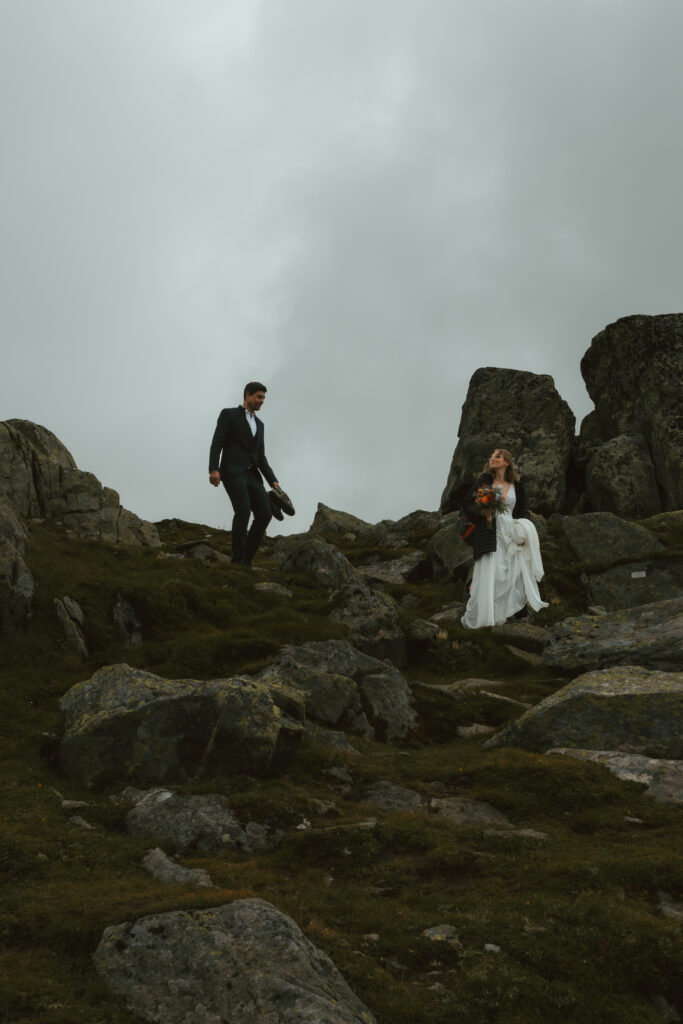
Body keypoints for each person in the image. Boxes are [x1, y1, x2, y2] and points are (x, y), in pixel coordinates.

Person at [461, 448, 548, 629]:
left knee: (513, 571)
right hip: (490, 531)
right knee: (494, 572)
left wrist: (524, 531)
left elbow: (523, 510)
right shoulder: (484, 481)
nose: (493, 459)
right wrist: (481, 512)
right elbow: (466, 504)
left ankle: (512, 613)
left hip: (511, 533)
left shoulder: (518, 486)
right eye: (492, 456)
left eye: (498, 457)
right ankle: (488, 618)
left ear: (507, 462)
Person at [208, 381, 280, 566]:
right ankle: (237, 557)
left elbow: (261, 456)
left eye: (263, 398)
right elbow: (217, 442)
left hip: (253, 475)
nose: (261, 401)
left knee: (265, 514)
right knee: (243, 510)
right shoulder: (228, 414)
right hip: (232, 471)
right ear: (247, 395)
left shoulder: (260, 424)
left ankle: (246, 558)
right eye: (258, 396)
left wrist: (273, 481)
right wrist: (213, 469)